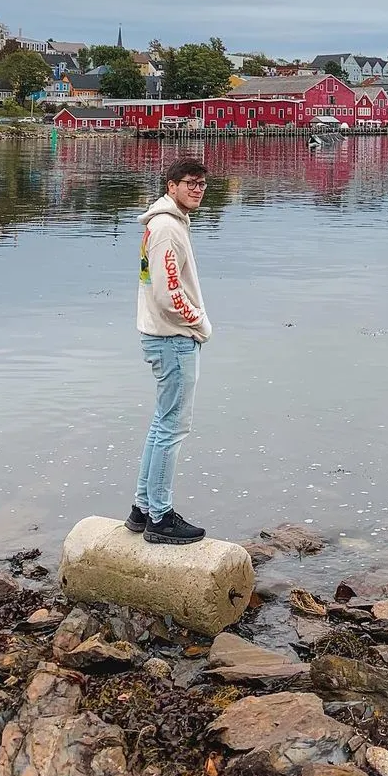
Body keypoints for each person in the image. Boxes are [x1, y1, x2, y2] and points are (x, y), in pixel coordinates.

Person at [124, 156, 212, 545]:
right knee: (172, 428)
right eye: (189, 182)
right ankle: (160, 517)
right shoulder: (165, 230)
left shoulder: (166, 224)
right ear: (171, 186)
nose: (196, 189)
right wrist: (200, 324)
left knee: (162, 424)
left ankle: (142, 510)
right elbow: (167, 292)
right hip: (173, 338)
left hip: (164, 336)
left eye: (202, 184)